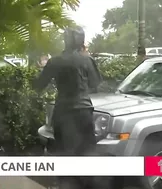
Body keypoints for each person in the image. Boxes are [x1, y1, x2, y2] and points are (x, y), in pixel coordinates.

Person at [33, 26, 102, 189]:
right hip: (85, 111)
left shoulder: (55, 61)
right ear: (81, 40)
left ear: (66, 40)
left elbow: (39, 85)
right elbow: (95, 83)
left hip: (64, 113)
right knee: (87, 153)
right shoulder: (88, 59)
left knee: (64, 154)